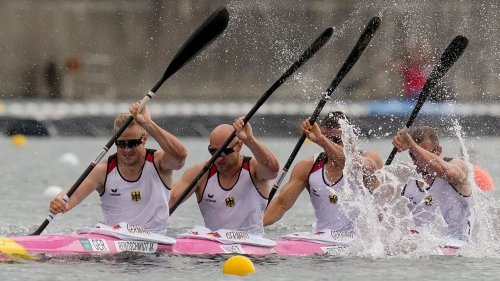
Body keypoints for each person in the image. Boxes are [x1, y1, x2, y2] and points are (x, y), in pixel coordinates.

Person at [49, 101, 188, 234]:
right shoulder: (103, 170)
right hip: (114, 246)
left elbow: (180, 156)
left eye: (132, 143)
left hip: (154, 248)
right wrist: (61, 201)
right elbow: (73, 195)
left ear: (145, 138)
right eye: (121, 143)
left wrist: (148, 123)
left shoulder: (159, 163)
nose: (127, 150)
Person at [264, 111, 382, 234]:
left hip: (362, 244)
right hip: (323, 237)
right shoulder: (307, 167)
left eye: (336, 139)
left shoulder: (371, 159)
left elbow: (352, 165)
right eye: (327, 138)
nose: (329, 143)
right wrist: (249, 226)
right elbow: (280, 205)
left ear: (351, 139)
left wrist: (321, 139)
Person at [169, 117, 280, 235]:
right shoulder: (201, 173)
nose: (219, 158)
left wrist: (250, 140)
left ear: (239, 146)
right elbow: (170, 199)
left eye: (224, 152)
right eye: (213, 152)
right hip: (214, 247)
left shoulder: (253, 169)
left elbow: (273, 170)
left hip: (251, 246)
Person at [392, 126, 473, 241]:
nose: (419, 160)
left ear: (438, 151)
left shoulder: (458, 167)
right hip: (423, 247)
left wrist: (413, 146)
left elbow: (447, 172)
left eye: (423, 153)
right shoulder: (406, 178)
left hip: (458, 246)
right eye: (413, 155)